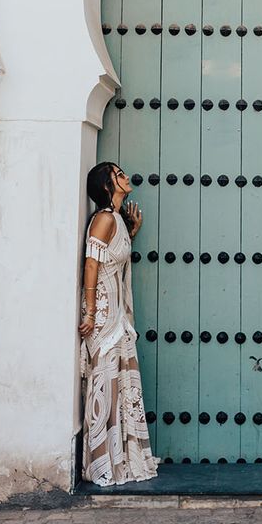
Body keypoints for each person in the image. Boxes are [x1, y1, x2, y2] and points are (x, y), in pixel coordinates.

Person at [80, 161, 158, 486]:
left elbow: (113, 257)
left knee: (118, 384)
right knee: (105, 385)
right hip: (104, 315)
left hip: (118, 318)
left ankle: (120, 457)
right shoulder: (102, 219)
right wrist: (90, 311)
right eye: (119, 174)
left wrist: (132, 232)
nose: (126, 177)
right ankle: (102, 462)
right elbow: (91, 265)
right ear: (108, 184)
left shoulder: (116, 221)